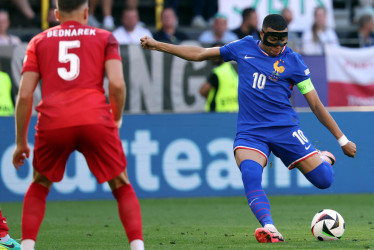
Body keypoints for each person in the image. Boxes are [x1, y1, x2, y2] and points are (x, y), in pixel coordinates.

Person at [141, 13, 357, 243]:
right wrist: (158, 46)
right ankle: (270, 228)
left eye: (282, 41)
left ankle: (323, 159)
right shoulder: (242, 47)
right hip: (251, 131)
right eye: (272, 41)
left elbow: (315, 103)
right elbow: (201, 54)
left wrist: (342, 140)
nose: (277, 48)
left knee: (325, 181)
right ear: (262, 34)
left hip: (285, 129)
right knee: (250, 175)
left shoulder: (294, 62)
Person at [12, 1, 144, 249]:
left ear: (56, 14)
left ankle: (27, 246)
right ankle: (137, 247)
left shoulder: (39, 41)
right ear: (86, 12)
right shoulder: (105, 37)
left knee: (39, 184)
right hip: (95, 118)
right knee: (121, 184)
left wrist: (20, 142)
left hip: (53, 120)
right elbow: (116, 84)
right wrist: (115, 117)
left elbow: (25, 95)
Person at [199, 43, 238, 112]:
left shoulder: (218, 72)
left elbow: (203, 91)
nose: (215, 56)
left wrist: (211, 99)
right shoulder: (231, 70)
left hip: (218, 112)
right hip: (233, 111)